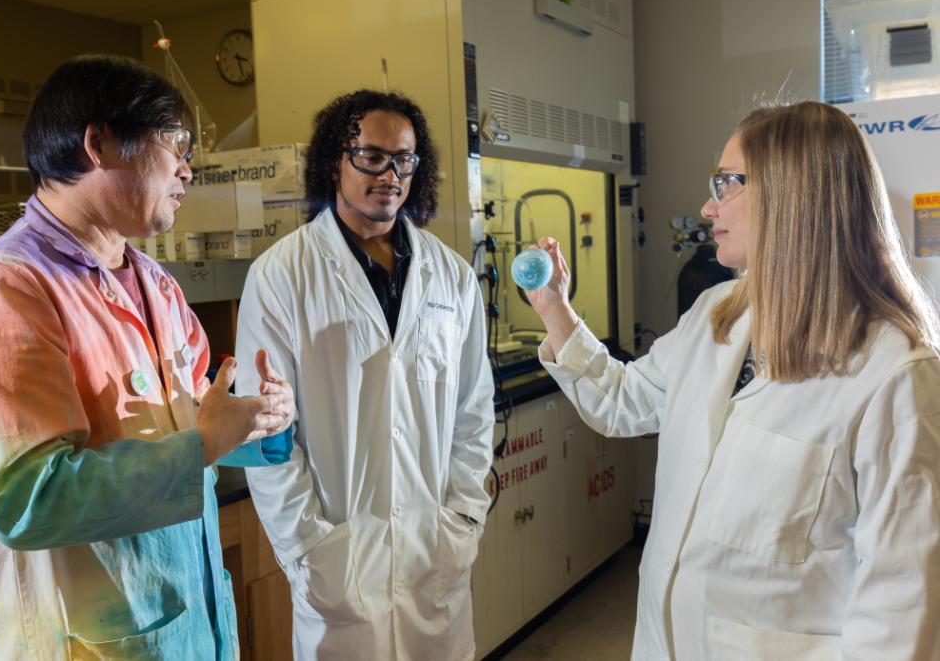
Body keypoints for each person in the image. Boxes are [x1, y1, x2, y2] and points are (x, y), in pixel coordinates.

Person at [526, 101, 940, 659]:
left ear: (793, 192)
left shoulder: (892, 372)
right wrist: (555, 309)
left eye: (726, 183)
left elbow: (903, 605)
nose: (706, 205)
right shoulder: (716, 313)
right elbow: (622, 403)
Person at [0, 55, 296, 659]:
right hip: (71, 640)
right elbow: (28, 501)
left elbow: (186, 417)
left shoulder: (153, 282)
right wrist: (202, 445)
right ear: (99, 143)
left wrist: (256, 419)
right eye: (176, 143)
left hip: (179, 620)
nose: (188, 169)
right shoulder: (6, 287)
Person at [236, 89, 495, 660]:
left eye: (404, 160)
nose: (391, 174)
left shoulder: (450, 276)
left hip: (435, 549)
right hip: (337, 553)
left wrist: (465, 513)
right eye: (371, 156)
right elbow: (265, 433)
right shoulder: (281, 277)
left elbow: (473, 410)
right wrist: (308, 548)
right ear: (335, 160)